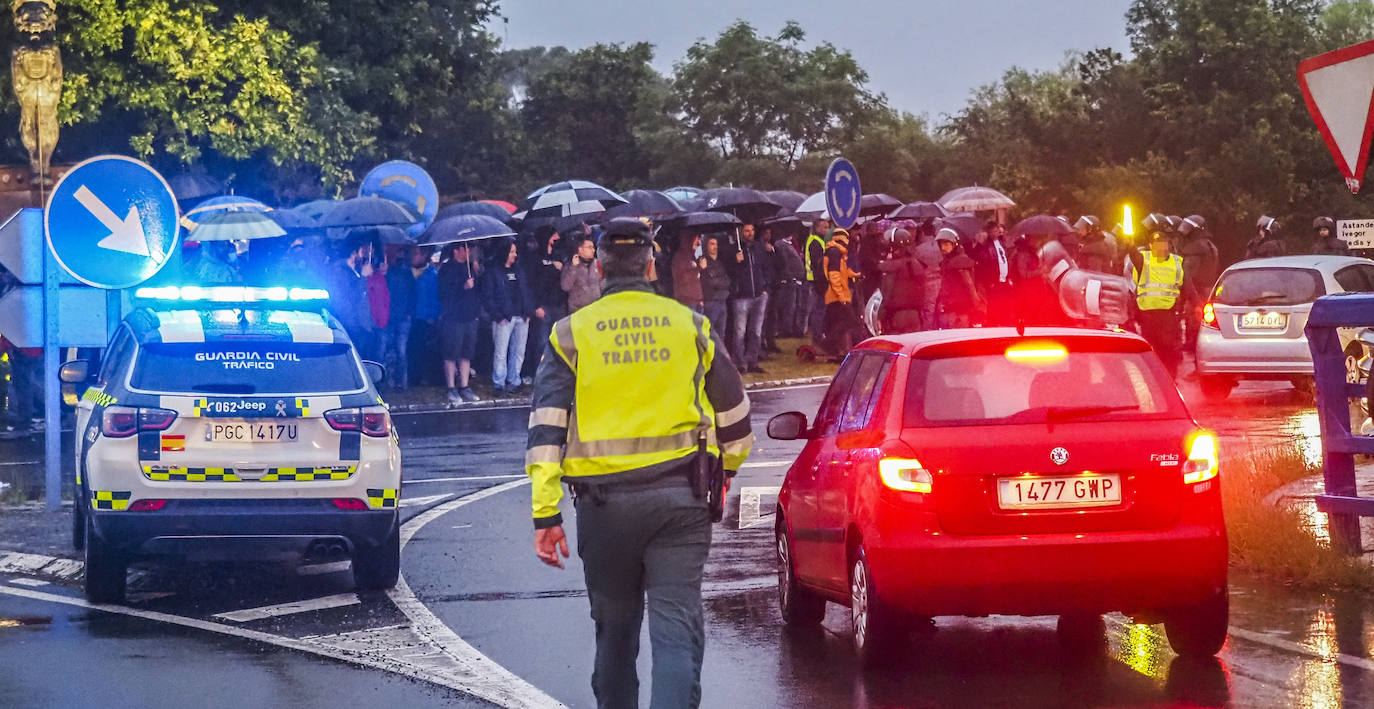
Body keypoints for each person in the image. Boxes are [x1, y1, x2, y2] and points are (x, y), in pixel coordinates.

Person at [525, 218, 754, 709]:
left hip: (604, 510)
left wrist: (545, 514)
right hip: (682, 501)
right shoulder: (691, 325)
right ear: (651, 265)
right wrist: (728, 468)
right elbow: (735, 414)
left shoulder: (570, 335)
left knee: (614, 633)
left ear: (602, 268)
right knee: (676, 630)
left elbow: (546, 428)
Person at [482, 239, 535, 397]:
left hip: (522, 316)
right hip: (504, 317)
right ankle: (499, 382)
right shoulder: (493, 272)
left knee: (519, 350)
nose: (514, 255)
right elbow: (488, 296)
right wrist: (497, 315)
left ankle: (514, 380)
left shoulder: (519, 270)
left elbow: (527, 291)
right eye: (511, 252)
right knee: (501, 351)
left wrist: (528, 312)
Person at [1135, 231, 1188, 378]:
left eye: (1162, 244)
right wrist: (1129, 242)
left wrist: (1195, 304)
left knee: (1169, 348)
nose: (1159, 247)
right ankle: (1154, 380)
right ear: (1150, 246)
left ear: (1168, 245)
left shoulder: (1177, 262)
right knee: (1152, 349)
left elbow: (1187, 286)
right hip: (1148, 315)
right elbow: (1133, 255)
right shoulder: (1143, 259)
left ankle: (1170, 379)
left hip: (1169, 314)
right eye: (1155, 244)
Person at [438, 243, 481, 403]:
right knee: (451, 353)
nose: (469, 251)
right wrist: (462, 286)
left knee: (466, 354)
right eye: (466, 249)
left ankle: (464, 386)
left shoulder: (470, 267)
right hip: (453, 318)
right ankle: (451, 387)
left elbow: (477, 291)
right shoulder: (447, 269)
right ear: (457, 251)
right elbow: (443, 293)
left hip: (470, 317)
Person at [728, 224, 772, 373]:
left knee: (756, 331)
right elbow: (729, 273)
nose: (750, 233)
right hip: (741, 296)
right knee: (740, 331)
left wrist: (765, 288)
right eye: (746, 231)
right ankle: (740, 363)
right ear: (741, 233)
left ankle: (752, 360)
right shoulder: (734, 249)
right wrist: (735, 262)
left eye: (752, 230)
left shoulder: (759, 248)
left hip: (759, 294)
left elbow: (766, 267)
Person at [327, 233, 376, 360]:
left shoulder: (353, 270)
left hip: (359, 324)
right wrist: (363, 278)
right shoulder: (339, 271)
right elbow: (347, 297)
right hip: (351, 325)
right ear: (354, 252)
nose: (365, 253)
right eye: (362, 250)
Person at [1175, 215, 1220, 353]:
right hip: (1209, 293)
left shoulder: (1195, 249)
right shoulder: (1211, 247)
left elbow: (1187, 277)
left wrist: (1193, 299)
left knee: (1195, 330)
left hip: (1197, 295)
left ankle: (1196, 362)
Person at [876, 227, 925, 333]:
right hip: (916, 315)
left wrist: (880, 314)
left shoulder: (892, 266)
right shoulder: (916, 264)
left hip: (897, 317)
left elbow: (886, 293)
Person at [823, 228, 861, 357]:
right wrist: (841, 296)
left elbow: (842, 271)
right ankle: (830, 345)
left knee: (842, 323)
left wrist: (855, 275)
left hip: (839, 294)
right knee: (847, 322)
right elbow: (834, 276)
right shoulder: (835, 252)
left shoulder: (837, 251)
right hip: (837, 295)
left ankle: (839, 349)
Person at [936, 228, 984, 328]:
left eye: (946, 244)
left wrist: (977, 306)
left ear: (954, 244)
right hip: (949, 308)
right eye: (941, 244)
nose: (942, 247)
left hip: (960, 311)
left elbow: (969, 284)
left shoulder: (960, 261)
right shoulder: (947, 261)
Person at [385, 247, 417, 391]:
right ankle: (400, 382)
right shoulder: (406, 272)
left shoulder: (393, 273)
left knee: (393, 349)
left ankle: (393, 381)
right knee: (399, 350)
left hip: (396, 316)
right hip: (400, 316)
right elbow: (413, 293)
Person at [972, 221, 1014, 325]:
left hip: (1004, 280)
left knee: (1006, 306)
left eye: (996, 230)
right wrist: (989, 281)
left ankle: (1005, 324)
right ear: (989, 232)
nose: (996, 232)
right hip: (993, 281)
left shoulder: (1002, 243)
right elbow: (984, 263)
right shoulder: (986, 246)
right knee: (994, 306)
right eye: (993, 231)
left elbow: (1004, 259)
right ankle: (994, 326)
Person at [769, 230, 807, 338]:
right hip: (789, 280)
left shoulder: (790, 244)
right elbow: (784, 262)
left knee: (795, 306)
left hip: (796, 279)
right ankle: (786, 330)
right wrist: (789, 276)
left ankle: (792, 328)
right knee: (788, 307)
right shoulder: (780, 244)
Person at [804, 217, 831, 344]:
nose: (827, 230)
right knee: (818, 310)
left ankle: (818, 334)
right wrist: (822, 284)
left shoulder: (818, 241)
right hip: (816, 281)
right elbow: (818, 265)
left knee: (819, 309)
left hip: (816, 280)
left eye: (827, 227)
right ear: (817, 228)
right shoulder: (815, 242)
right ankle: (817, 336)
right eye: (824, 227)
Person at [698, 235, 731, 337]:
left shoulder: (720, 263)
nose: (715, 246)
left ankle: (719, 353)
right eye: (712, 244)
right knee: (710, 333)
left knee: (721, 334)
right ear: (706, 246)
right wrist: (705, 270)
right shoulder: (703, 262)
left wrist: (716, 280)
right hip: (710, 301)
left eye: (716, 244)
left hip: (722, 301)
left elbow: (728, 281)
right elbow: (708, 282)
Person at [914, 222, 944, 329]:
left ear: (922, 232)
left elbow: (917, 268)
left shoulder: (918, 249)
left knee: (929, 309)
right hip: (941, 280)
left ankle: (929, 331)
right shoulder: (941, 246)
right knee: (941, 308)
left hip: (928, 282)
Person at [562, 235, 602, 313]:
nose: (593, 250)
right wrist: (573, 267)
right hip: (578, 310)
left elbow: (603, 283)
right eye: (589, 247)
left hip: (596, 308)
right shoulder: (570, 266)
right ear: (580, 249)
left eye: (593, 247)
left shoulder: (597, 263)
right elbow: (565, 286)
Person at [366, 252, 391, 367]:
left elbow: (386, 299)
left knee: (379, 352)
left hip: (381, 320)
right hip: (370, 320)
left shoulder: (381, 278)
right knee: (371, 351)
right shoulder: (367, 279)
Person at [672, 232, 704, 311]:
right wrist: (699, 267)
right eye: (696, 239)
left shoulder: (692, 256)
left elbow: (696, 278)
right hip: (686, 302)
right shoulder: (679, 257)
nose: (698, 242)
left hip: (697, 302)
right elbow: (683, 278)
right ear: (689, 239)